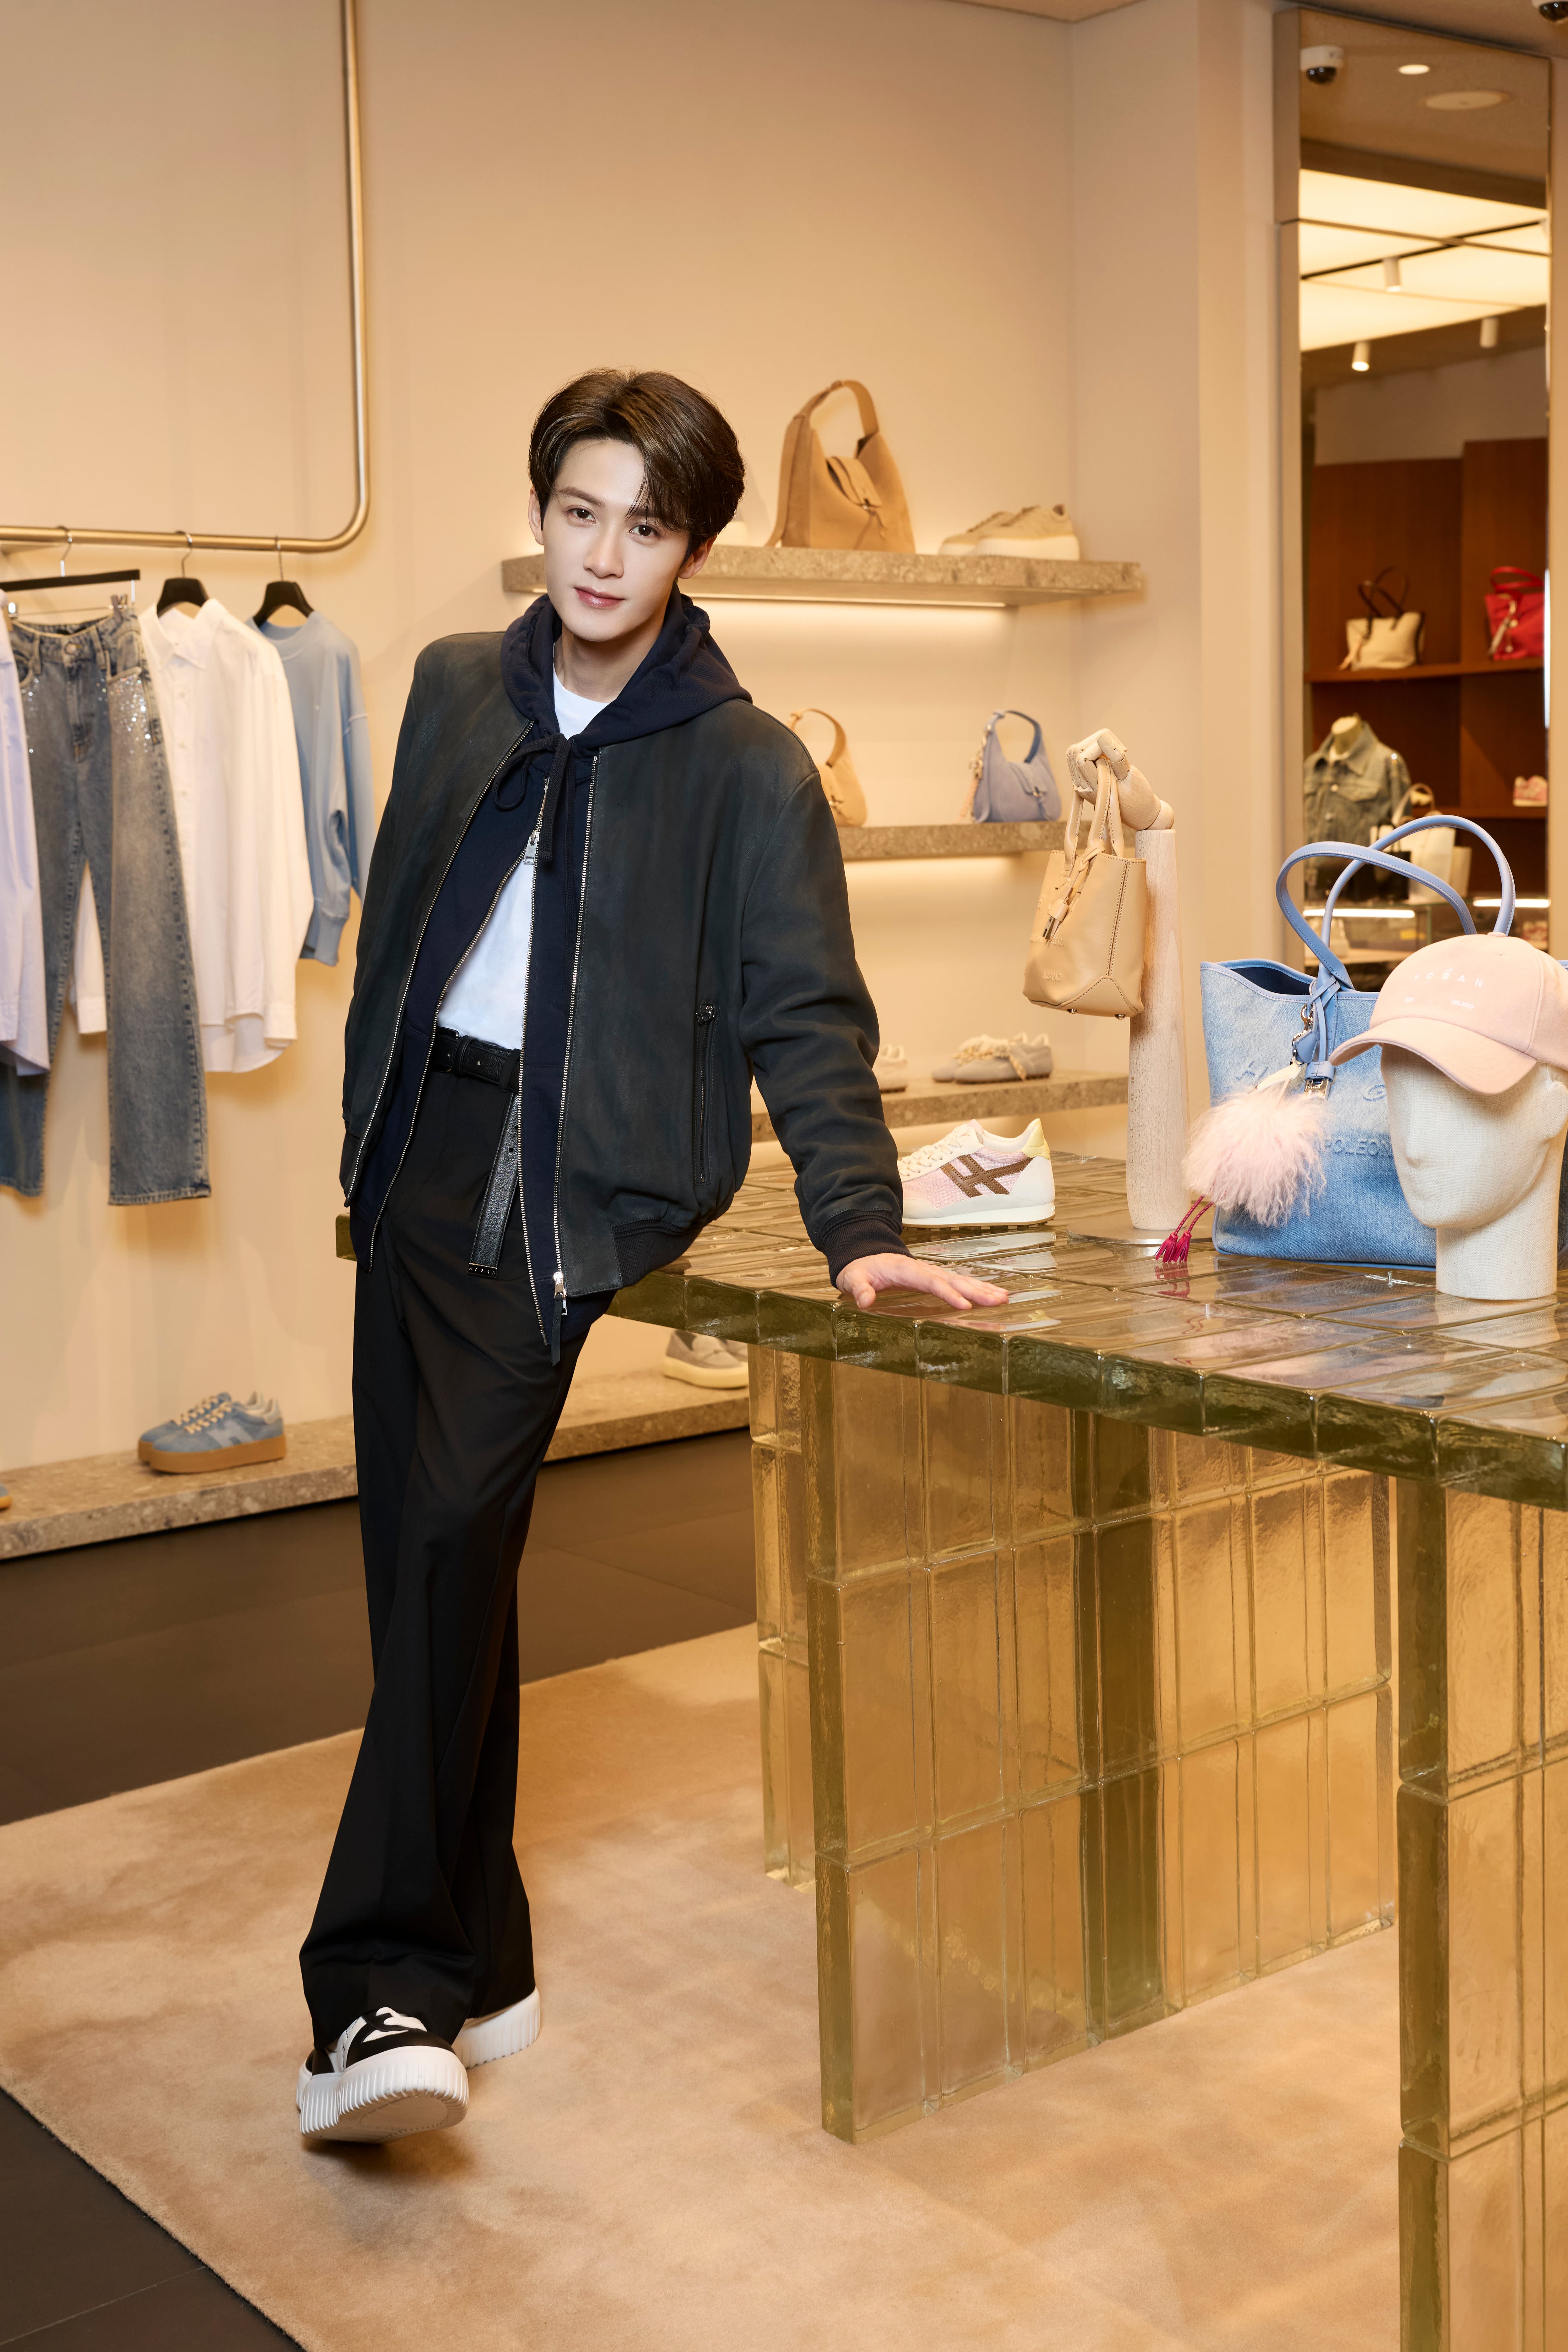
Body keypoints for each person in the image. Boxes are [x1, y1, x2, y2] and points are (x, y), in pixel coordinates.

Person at [295, 369, 1006, 2145]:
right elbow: (400, 919)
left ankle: (376, 1986)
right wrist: (368, 1134)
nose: (605, 556)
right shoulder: (457, 685)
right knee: (426, 1571)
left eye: (647, 525)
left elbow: (805, 1011)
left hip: (562, 1180)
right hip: (416, 1158)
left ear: (695, 548)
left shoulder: (748, 765)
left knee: (450, 1541)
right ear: (543, 513)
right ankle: (488, 1954)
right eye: (580, 513)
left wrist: (859, 1227)